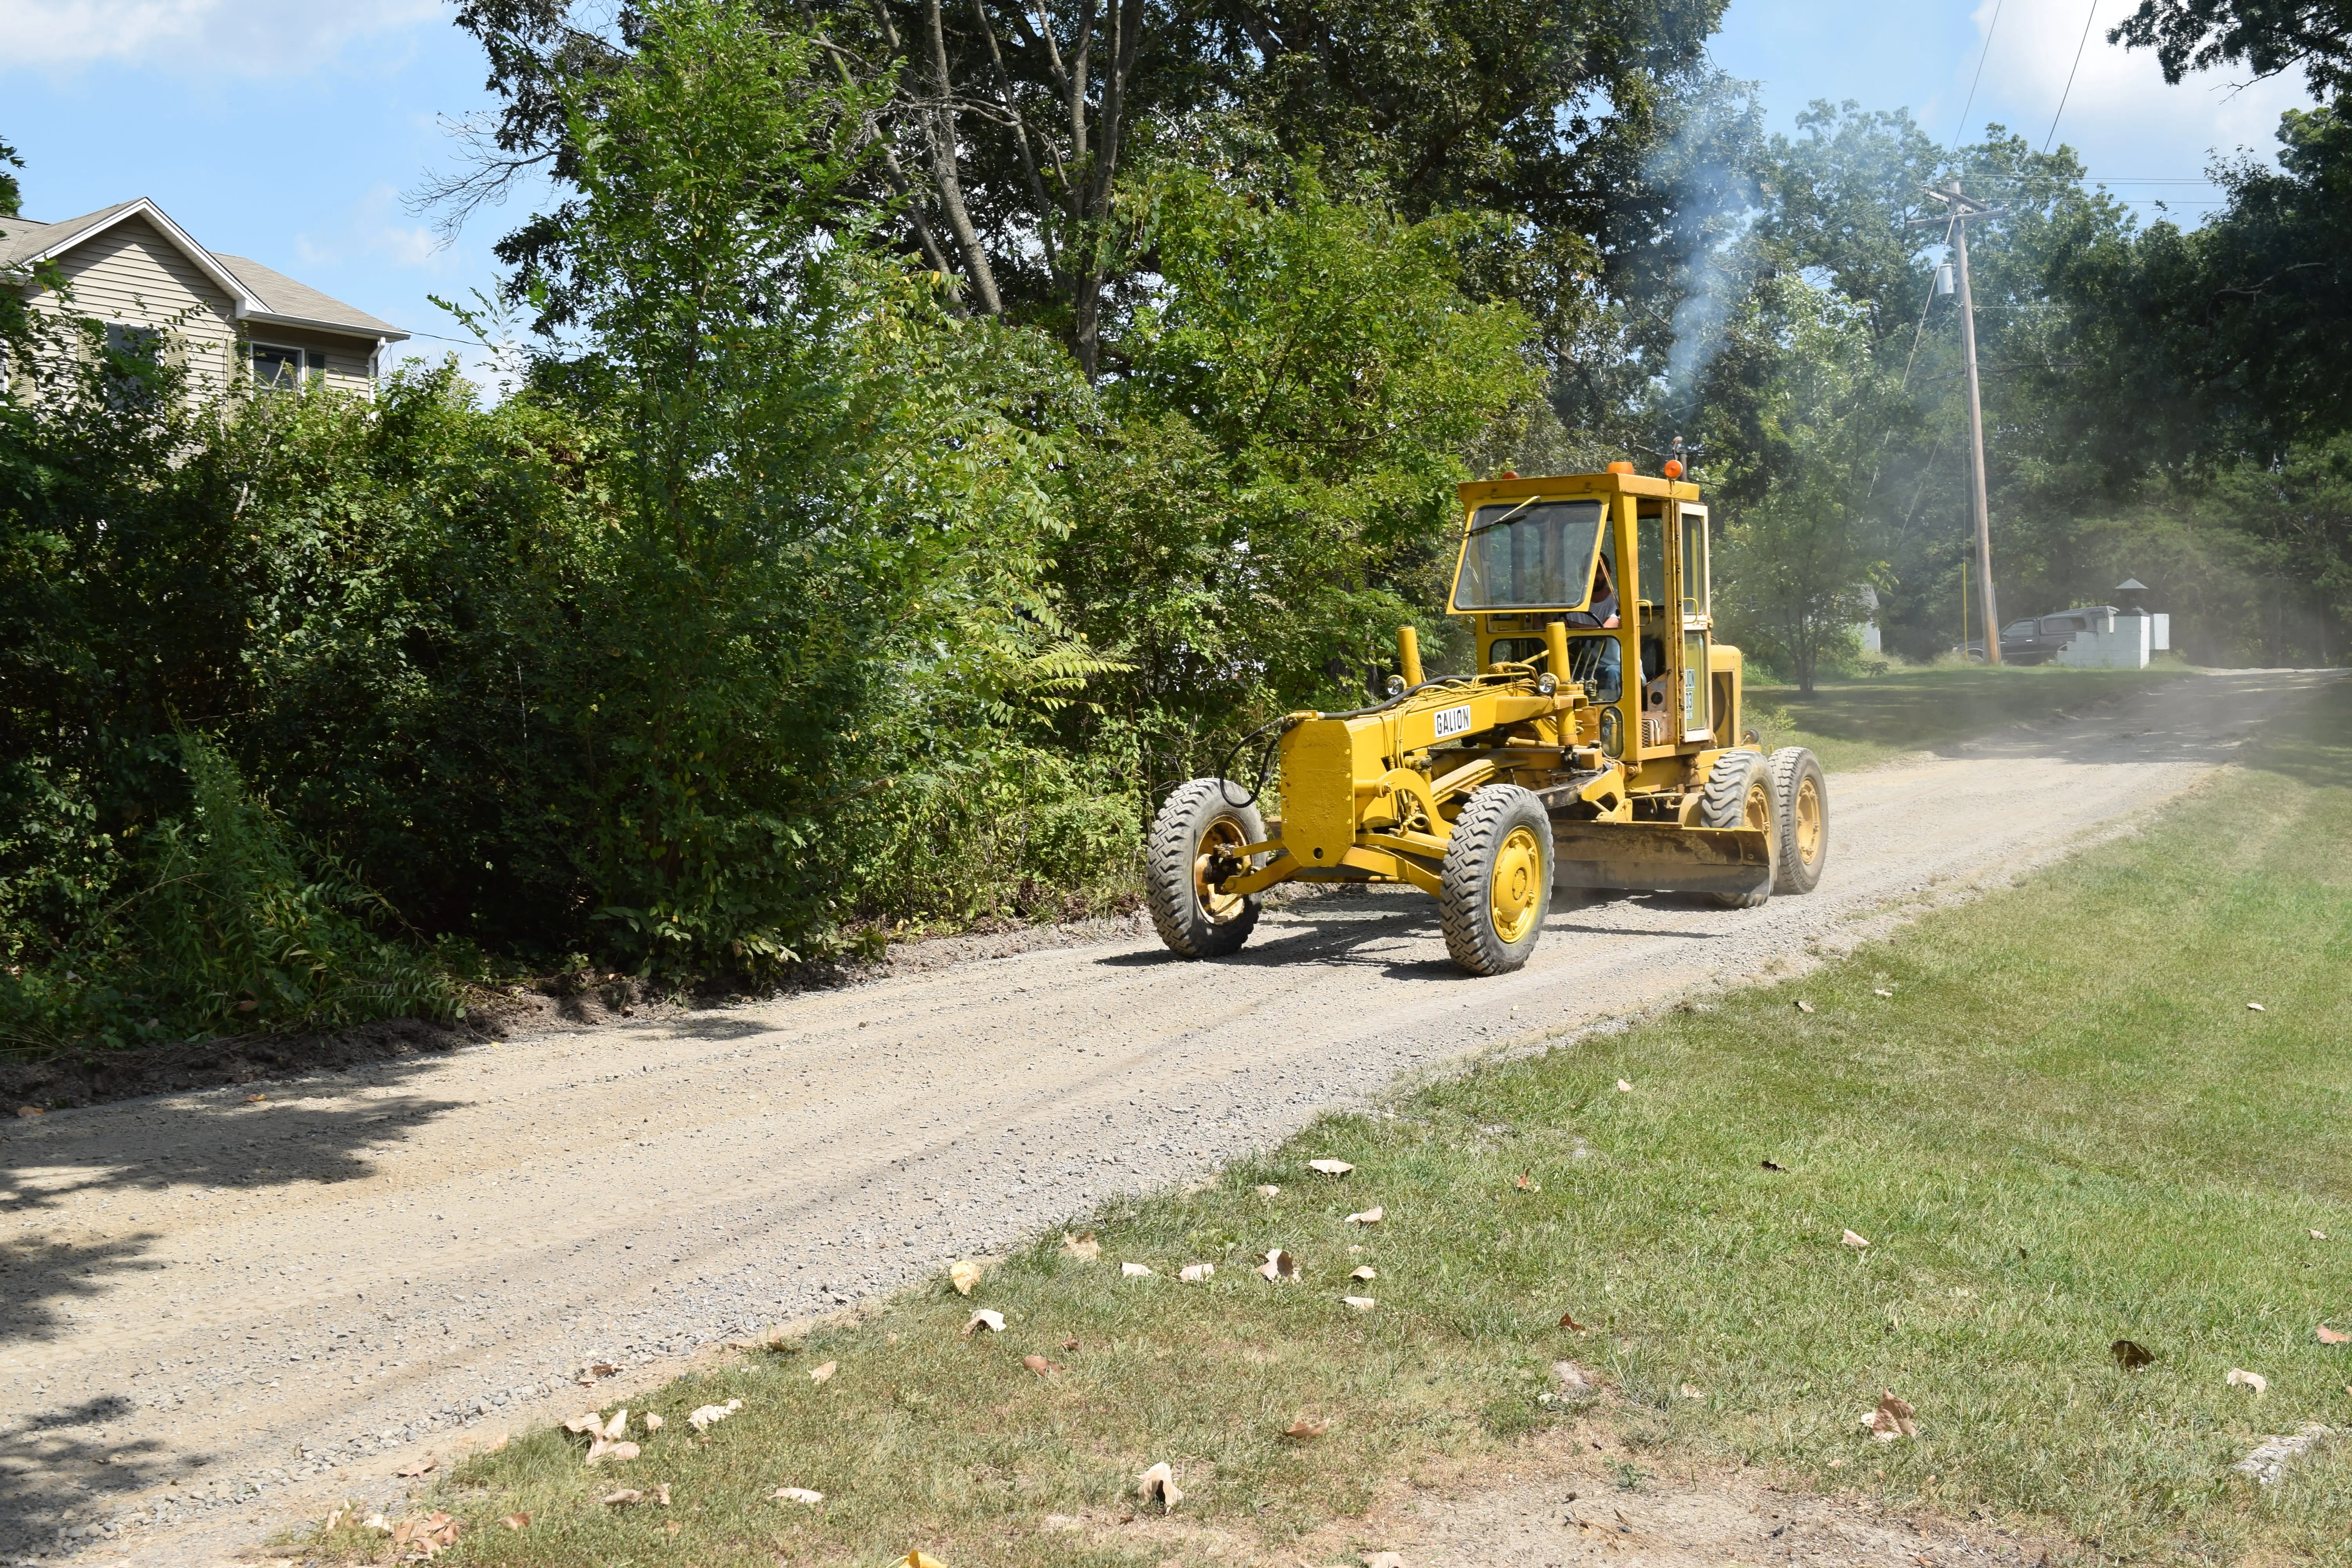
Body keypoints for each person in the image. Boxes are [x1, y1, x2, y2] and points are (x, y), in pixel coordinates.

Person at [1566, 552, 1620, 629]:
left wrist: (1568, 624)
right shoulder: (1573, 601)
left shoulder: (1618, 600)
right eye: (1588, 572)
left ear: (1608, 573)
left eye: (1597, 572)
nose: (1592, 577)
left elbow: (1607, 630)